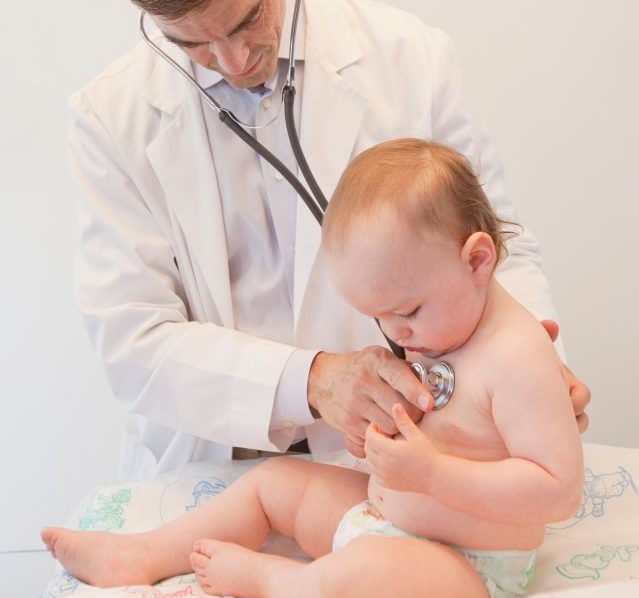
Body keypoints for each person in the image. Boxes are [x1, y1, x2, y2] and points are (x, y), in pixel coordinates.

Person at [43, 139, 584, 598]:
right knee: (276, 482)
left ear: (477, 260)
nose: (399, 333)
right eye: (381, 318)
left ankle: (274, 582)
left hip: (466, 566)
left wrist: (433, 474)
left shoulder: (517, 354)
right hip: (381, 519)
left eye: (409, 312)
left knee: (359, 576)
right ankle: (142, 553)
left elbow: (557, 492)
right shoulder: (447, 319)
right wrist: (376, 436)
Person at [71, 0, 589, 478]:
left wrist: (538, 369)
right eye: (192, 44)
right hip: (217, 456)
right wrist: (311, 381)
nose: (233, 60)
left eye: (247, 19)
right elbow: (134, 339)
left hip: (407, 445)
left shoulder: (409, 58)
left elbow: (497, 247)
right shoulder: (109, 118)